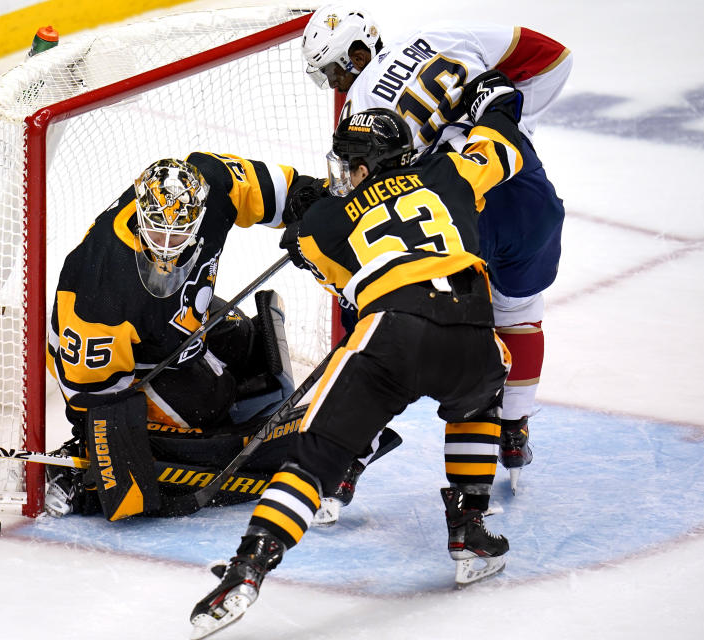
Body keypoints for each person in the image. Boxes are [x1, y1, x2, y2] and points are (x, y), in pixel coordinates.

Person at [189, 73, 526, 639]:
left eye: (350, 163)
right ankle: (469, 524)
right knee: (479, 400)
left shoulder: (322, 223)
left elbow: (348, 289)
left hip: (394, 331)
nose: (341, 173)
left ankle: (250, 566)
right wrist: (494, 105)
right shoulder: (450, 171)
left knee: (313, 455)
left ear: (370, 164)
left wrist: (300, 240)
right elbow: (503, 148)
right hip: (473, 330)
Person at [301, 4, 572, 492]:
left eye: (338, 68)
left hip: (451, 205)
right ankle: (513, 431)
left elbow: (363, 192)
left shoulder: (358, 108)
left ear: (361, 50)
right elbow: (554, 58)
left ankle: (351, 453)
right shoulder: (447, 32)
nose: (339, 81)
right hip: (521, 185)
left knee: (386, 314)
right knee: (521, 311)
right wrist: (511, 124)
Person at [44, 153, 323, 521]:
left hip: (179, 315)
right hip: (122, 361)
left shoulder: (212, 184)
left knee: (245, 340)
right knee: (212, 401)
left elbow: (261, 187)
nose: (167, 242)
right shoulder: (103, 286)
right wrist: (101, 447)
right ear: (141, 213)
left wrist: (314, 202)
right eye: (157, 228)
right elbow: (89, 391)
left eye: (180, 231)